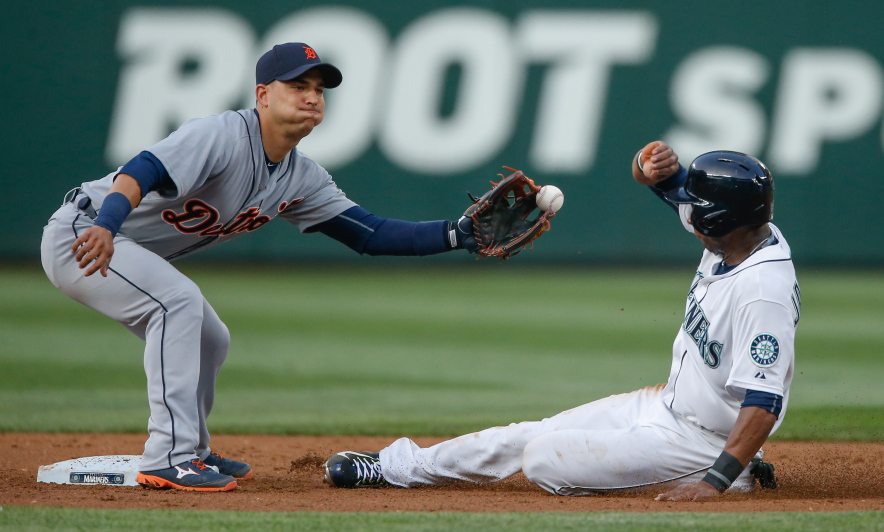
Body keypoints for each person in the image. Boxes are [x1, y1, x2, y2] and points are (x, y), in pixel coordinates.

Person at [40, 42, 478, 492]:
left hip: (123, 245)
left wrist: (457, 234)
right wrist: (108, 226)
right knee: (177, 303)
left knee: (211, 338)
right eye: (298, 85)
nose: (312, 96)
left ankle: (192, 450)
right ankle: (167, 458)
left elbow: (373, 234)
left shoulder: (301, 176)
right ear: (263, 95)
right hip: (86, 233)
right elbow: (138, 172)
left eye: (319, 89)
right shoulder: (221, 134)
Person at [324, 141, 799, 501]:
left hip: (705, 441)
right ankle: (396, 466)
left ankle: (732, 475)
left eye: (695, 205)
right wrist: (647, 165)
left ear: (716, 220)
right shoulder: (739, 230)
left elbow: (763, 401)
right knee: (533, 432)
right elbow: (656, 182)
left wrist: (714, 481)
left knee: (545, 460)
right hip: (664, 408)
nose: (685, 208)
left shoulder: (763, 293)